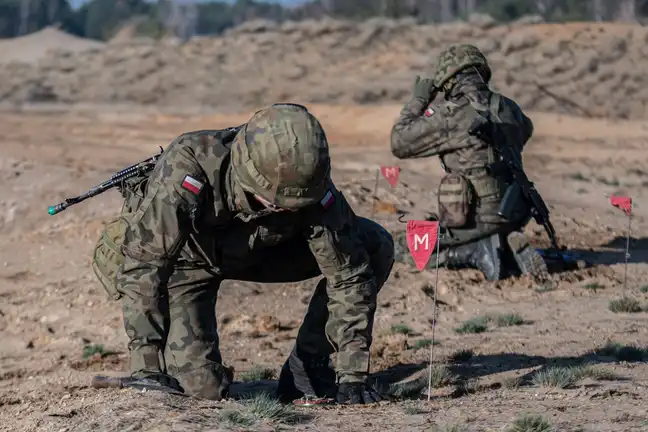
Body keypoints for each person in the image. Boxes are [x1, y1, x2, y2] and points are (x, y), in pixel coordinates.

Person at [94, 103, 394, 404]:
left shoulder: (306, 183)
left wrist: (353, 375)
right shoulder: (189, 165)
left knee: (372, 244)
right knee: (200, 391)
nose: (287, 209)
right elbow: (145, 264)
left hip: (265, 254)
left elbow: (348, 276)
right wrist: (146, 366)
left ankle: (308, 367)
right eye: (276, 203)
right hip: (188, 265)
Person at [389, 44, 548, 281]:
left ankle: (474, 252)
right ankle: (504, 244)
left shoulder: (452, 114)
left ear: (448, 81)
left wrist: (420, 100)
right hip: (515, 211)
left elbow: (399, 143)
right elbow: (526, 130)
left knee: (398, 246)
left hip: (476, 218)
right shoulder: (509, 108)